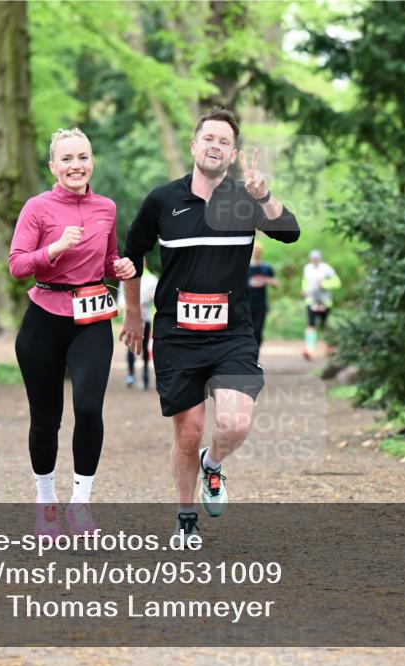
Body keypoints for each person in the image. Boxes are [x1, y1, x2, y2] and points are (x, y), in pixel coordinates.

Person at [120, 107, 300, 535]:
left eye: (223, 141)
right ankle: (186, 519)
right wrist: (132, 314)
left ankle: (213, 465)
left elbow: (290, 232)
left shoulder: (244, 199)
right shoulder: (162, 201)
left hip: (232, 334)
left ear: (233, 153)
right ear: (194, 145)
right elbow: (131, 256)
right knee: (189, 431)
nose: (215, 146)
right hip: (177, 335)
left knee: (235, 423)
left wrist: (264, 196)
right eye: (209, 138)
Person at [9, 128, 136, 538]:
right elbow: (17, 264)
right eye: (66, 159)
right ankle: (45, 500)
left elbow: (107, 260)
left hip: (91, 319)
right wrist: (56, 248)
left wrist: (121, 267)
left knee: (87, 407)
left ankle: (80, 504)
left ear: (92, 162)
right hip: (44, 316)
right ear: (53, 166)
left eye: (82, 157)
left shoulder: (107, 207)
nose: (75, 165)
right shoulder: (37, 207)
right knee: (46, 419)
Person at [300, 249, 340, 361]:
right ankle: (310, 350)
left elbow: (337, 282)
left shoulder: (327, 268)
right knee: (311, 325)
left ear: (320, 258)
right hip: (311, 301)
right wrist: (304, 290)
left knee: (324, 326)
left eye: (316, 258)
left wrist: (325, 284)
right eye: (313, 258)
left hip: (325, 301)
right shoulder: (307, 268)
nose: (315, 260)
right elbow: (305, 282)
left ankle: (329, 348)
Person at [124, 267, 157, 390]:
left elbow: (156, 297)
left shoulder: (152, 279)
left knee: (144, 348)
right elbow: (122, 300)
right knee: (131, 347)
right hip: (130, 321)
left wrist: (149, 298)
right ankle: (131, 375)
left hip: (145, 319)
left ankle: (145, 376)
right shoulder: (126, 276)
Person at [246, 242, 278, 347]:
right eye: (255, 250)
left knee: (258, 331)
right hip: (247, 305)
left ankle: (256, 354)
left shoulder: (266, 268)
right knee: (248, 331)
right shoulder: (245, 267)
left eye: (259, 251)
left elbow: (276, 284)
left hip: (261, 305)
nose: (257, 253)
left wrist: (269, 281)